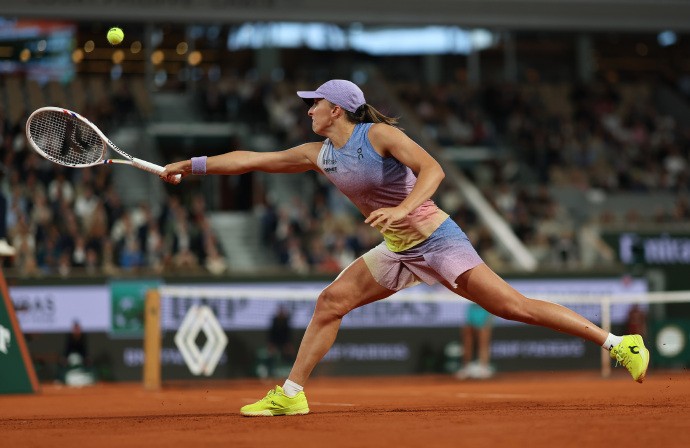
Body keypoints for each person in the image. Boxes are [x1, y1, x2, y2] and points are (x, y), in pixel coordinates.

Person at [160, 79, 650, 417]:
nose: (308, 110)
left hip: (437, 240)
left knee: (512, 306)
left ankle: (618, 344)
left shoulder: (379, 135)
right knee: (331, 302)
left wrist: (403, 208)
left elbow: (434, 169)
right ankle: (291, 394)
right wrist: (190, 164)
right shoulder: (317, 154)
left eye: (315, 103)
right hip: (397, 248)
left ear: (336, 110)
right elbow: (249, 160)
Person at [455, 303, 494, 380]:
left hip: (485, 310)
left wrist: (489, 319)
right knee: (467, 343)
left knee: (483, 343)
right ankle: (466, 368)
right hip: (472, 309)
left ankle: (483, 368)